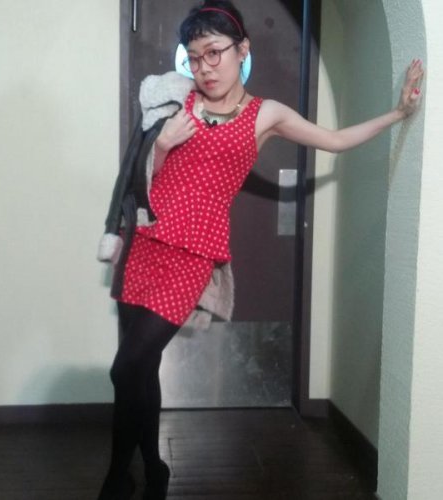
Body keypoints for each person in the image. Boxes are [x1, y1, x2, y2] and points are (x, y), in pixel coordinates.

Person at [97, 1, 424, 499]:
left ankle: (116, 478)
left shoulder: (264, 114)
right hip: (148, 240)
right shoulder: (178, 99)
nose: (205, 67)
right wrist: (162, 146)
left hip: (193, 253)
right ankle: (152, 468)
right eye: (194, 57)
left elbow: (334, 140)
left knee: (125, 367)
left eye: (214, 53)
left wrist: (399, 113)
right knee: (140, 367)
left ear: (242, 49)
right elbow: (144, 179)